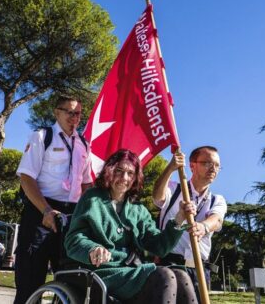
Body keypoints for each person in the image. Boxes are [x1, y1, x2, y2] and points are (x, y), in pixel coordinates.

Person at [65, 149, 198, 303]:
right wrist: (93, 249)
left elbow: (160, 247)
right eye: (119, 171)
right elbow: (74, 239)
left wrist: (179, 219)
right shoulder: (92, 198)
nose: (124, 178)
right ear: (109, 171)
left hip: (131, 271)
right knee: (164, 275)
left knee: (181, 275)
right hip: (102, 272)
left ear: (135, 178)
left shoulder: (138, 209)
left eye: (130, 173)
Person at [13, 95, 93, 304]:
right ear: (57, 112)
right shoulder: (42, 136)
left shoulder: (84, 144)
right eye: (69, 112)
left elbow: (86, 184)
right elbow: (26, 177)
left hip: (72, 215)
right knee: (30, 282)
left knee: (71, 283)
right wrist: (46, 210)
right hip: (41, 211)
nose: (74, 117)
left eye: (78, 113)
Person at [153, 147, 227, 302]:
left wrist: (203, 226)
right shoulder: (174, 188)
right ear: (192, 165)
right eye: (207, 163)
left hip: (199, 269)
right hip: (169, 264)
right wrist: (170, 168)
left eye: (217, 165)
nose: (213, 168)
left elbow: (216, 219)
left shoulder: (217, 200)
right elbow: (157, 196)